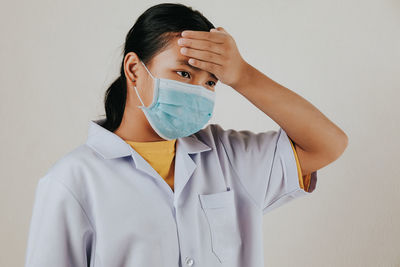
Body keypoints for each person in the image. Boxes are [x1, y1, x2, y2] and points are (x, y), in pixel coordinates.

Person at [24, 3, 348, 267]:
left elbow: (328, 144)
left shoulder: (228, 158)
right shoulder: (72, 182)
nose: (197, 90)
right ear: (134, 70)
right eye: (183, 73)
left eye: (210, 82)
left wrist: (243, 75)